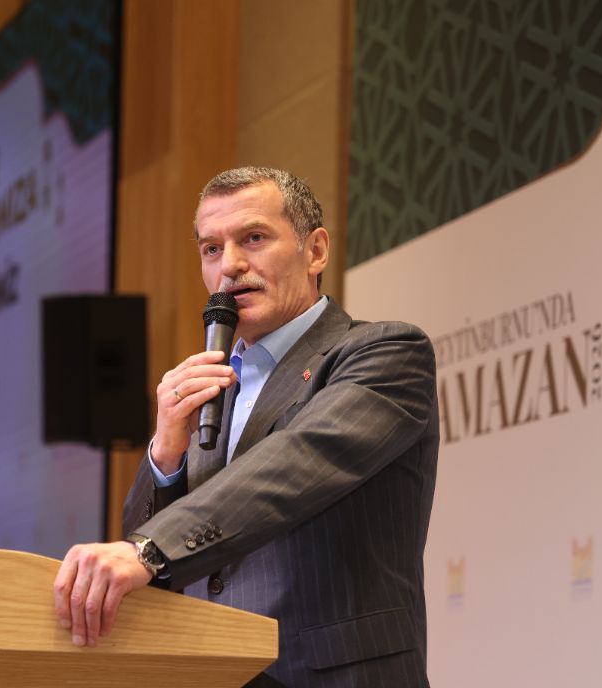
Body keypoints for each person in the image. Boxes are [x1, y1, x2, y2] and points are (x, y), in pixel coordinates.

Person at [53, 167, 438, 687]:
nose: (230, 265)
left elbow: (297, 463)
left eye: (253, 238)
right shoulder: (211, 386)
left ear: (315, 250)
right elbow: (149, 554)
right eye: (211, 249)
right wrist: (166, 455)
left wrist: (149, 550)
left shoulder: (384, 353)